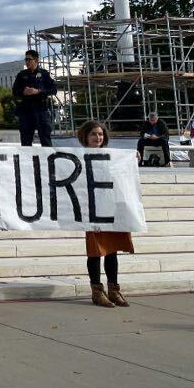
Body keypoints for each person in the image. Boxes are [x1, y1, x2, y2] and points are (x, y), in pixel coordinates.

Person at [77, 121, 133, 308]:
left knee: (112, 250)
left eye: (100, 134)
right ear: (85, 136)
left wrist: (133, 157)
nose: (97, 137)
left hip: (111, 208)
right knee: (95, 251)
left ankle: (113, 289)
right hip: (93, 210)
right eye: (93, 134)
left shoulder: (113, 156)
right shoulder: (78, 156)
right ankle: (96, 290)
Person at [12, 50, 57, 147]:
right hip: (26, 111)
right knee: (26, 141)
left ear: (36, 60)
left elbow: (53, 89)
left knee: (45, 140)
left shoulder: (44, 74)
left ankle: (47, 161)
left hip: (41, 110)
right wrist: (23, 92)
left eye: (29, 59)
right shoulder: (22, 75)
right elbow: (15, 91)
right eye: (26, 59)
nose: (27, 62)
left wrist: (38, 91)